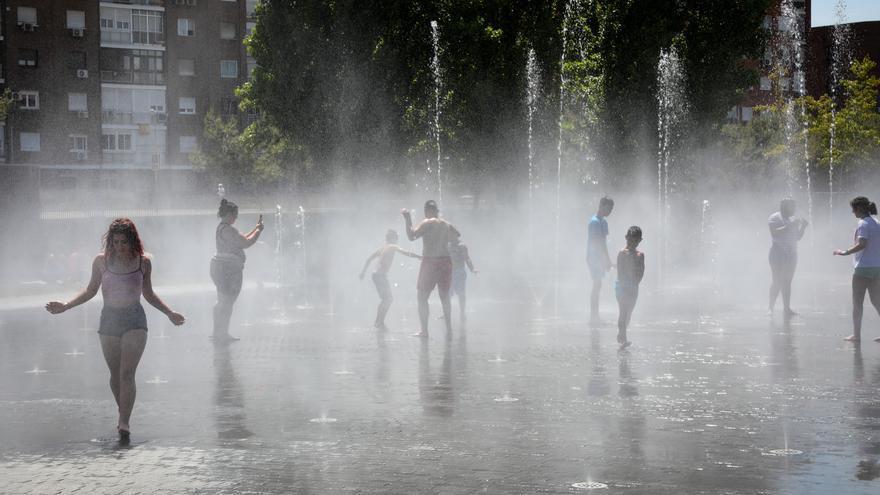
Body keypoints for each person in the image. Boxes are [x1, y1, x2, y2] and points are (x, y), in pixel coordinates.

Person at [45, 218, 185, 444]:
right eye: (116, 242)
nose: (120, 247)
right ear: (110, 242)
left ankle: (124, 422)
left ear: (133, 241)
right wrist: (66, 306)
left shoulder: (143, 262)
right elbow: (90, 290)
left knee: (127, 373)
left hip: (134, 320)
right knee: (115, 375)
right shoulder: (101, 262)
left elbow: (148, 293)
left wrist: (169, 313)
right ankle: (124, 410)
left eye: (124, 242)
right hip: (109, 320)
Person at [402, 200, 460, 338]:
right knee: (444, 296)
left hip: (431, 261)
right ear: (437, 211)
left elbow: (411, 236)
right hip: (446, 261)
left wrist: (407, 218)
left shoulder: (427, 222)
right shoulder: (446, 224)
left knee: (422, 297)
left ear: (427, 210)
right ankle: (449, 330)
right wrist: (443, 240)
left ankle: (424, 331)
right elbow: (457, 235)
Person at [211, 199, 263, 343]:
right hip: (227, 269)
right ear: (228, 214)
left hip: (220, 267)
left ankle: (217, 332)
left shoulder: (223, 227)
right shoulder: (227, 229)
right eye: (235, 214)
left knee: (221, 301)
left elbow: (243, 237)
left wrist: (256, 228)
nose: (237, 217)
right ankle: (222, 334)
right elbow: (246, 243)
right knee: (227, 302)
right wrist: (259, 231)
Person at [834, 196, 880, 343]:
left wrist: (844, 252)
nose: (852, 212)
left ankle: (856, 335)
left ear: (859, 209)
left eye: (853, 209)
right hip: (877, 268)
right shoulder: (877, 222)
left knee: (857, 302)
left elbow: (862, 243)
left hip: (863, 269)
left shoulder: (863, 223)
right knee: (876, 301)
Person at [359, 229, 421, 329]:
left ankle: (379, 321)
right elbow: (406, 253)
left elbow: (368, 259)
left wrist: (363, 272)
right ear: (393, 238)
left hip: (376, 275)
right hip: (380, 275)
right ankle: (378, 322)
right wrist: (419, 256)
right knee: (388, 299)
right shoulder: (393, 246)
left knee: (386, 299)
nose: (397, 240)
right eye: (397, 238)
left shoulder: (382, 248)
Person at [768, 198, 808, 316]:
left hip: (791, 255)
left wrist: (803, 227)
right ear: (784, 207)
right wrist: (790, 225)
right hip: (777, 253)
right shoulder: (774, 217)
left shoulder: (792, 219)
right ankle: (770, 308)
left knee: (787, 282)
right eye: (792, 207)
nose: (794, 210)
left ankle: (786, 308)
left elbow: (797, 238)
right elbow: (774, 233)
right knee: (776, 281)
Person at [615, 226, 645, 348]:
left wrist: (636, 283)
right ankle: (623, 338)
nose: (632, 244)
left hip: (633, 287)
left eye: (635, 241)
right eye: (630, 241)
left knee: (629, 313)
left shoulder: (640, 255)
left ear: (640, 241)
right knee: (623, 311)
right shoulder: (622, 254)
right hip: (621, 286)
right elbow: (620, 272)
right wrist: (625, 287)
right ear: (626, 238)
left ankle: (621, 332)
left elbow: (642, 271)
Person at [587, 196, 614, 325]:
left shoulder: (603, 222)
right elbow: (597, 243)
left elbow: (604, 242)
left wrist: (606, 259)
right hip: (594, 258)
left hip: (599, 258)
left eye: (612, 209)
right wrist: (606, 260)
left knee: (598, 286)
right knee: (596, 285)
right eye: (609, 208)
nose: (610, 211)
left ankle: (595, 316)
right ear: (601, 206)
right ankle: (594, 317)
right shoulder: (594, 222)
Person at [448, 236, 477, 327]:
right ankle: (446, 313)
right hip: (449, 272)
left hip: (459, 272)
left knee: (461, 293)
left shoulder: (461, 246)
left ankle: (462, 312)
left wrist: (472, 269)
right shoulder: (447, 245)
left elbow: (467, 258)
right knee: (447, 293)